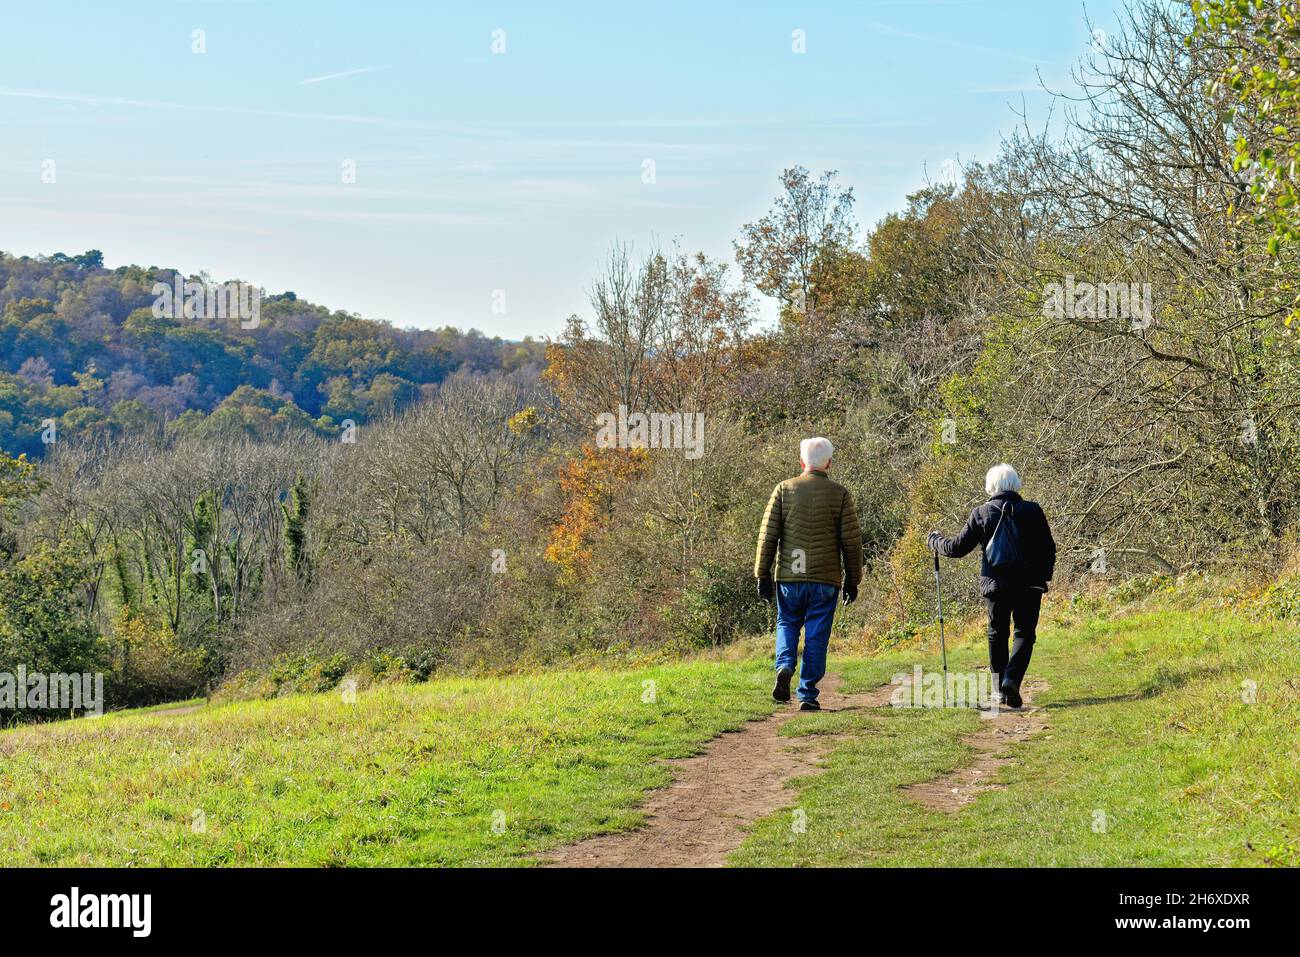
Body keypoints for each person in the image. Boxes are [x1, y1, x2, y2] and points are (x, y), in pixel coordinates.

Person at [927, 463, 1056, 708]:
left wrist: (935, 541)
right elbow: (1048, 548)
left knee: (997, 633)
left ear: (991, 487)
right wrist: (1043, 577)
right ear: (1015, 484)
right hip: (1030, 585)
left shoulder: (982, 513)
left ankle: (999, 690)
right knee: (1024, 633)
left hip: (996, 585)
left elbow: (956, 548)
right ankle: (1012, 680)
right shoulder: (1033, 511)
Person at [754, 437, 863, 711]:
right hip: (825, 580)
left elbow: (768, 536)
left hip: (790, 576)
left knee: (787, 622)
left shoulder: (783, 489)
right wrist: (853, 579)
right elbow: (851, 542)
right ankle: (807, 694)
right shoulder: (840, 494)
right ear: (829, 463)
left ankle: (785, 664)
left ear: (802, 462)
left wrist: (762, 574)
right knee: (817, 634)